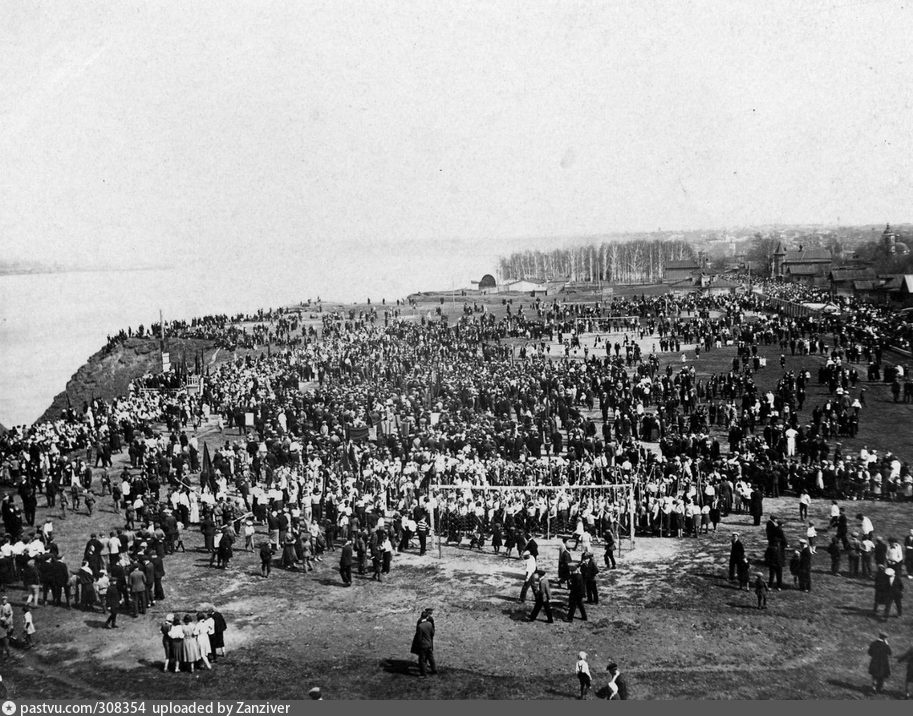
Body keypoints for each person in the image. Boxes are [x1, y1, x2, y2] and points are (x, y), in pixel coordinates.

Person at [410, 608, 436, 677]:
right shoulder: (430, 622)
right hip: (429, 641)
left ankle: (424, 673)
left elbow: (418, 634)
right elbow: (433, 631)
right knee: (430, 656)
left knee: (422, 658)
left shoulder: (420, 624)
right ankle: (434, 669)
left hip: (423, 642)